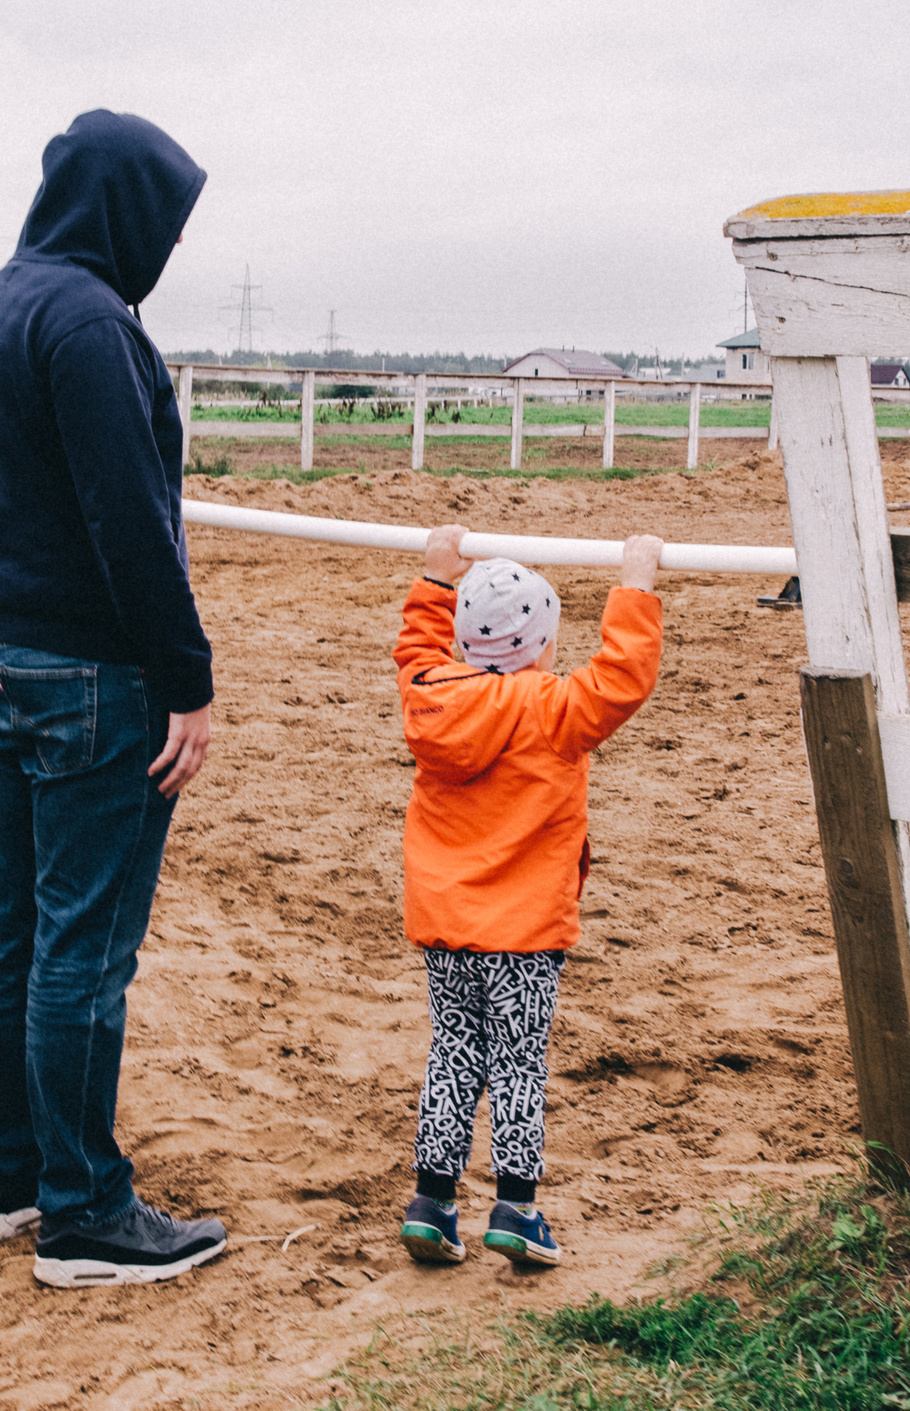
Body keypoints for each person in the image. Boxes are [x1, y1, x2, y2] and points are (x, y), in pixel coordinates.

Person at [0, 110, 224, 1288]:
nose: (169, 242)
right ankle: (85, 1214)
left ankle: (7, 1175)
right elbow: (129, 523)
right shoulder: (94, 324)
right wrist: (186, 677)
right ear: (123, 208)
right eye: (165, 216)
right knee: (83, 948)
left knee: (11, 921)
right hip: (93, 679)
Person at [390, 524, 664, 1267]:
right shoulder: (556, 708)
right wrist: (635, 585)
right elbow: (622, 677)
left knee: (453, 1052)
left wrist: (436, 580)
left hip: (446, 922)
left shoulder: (432, 696)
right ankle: (516, 1206)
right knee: (517, 1063)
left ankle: (431, 1202)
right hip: (524, 933)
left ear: (462, 641)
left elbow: (416, 652)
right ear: (542, 645)